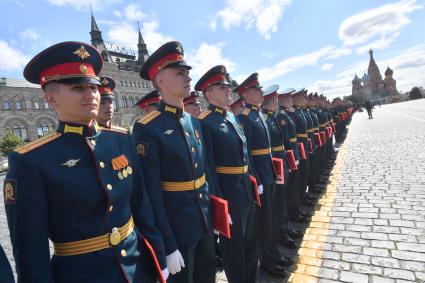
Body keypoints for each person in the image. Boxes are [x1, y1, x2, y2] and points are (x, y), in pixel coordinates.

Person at [4, 41, 167, 283]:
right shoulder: (31, 161)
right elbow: (30, 252)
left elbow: (141, 206)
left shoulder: (122, 140)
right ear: (50, 99)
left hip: (137, 267)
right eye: (77, 88)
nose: (91, 94)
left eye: (93, 87)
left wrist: (158, 259)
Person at [133, 41, 216, 283]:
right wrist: (167, 244)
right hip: (177, 228)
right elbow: (151, 193)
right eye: (180, 73)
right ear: (160, 81)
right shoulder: (147, 128)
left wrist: (215, 214)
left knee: (207, 275)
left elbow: (205, 175)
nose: (188, 77)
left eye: (188, 72)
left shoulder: (195, 122)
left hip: (204, 220)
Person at [195, 65, 259, 283]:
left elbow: (245, 155)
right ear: (209, 94)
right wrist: (219, 203)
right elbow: (208, 167)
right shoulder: (205, 122)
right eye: (222, 86)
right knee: (233, 249)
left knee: (250, 242)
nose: (228, 88)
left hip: (244, 188)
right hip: (228, 194)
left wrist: (253, 181)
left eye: (227, 85)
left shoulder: (232, 117)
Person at [235, 73, 287, 278]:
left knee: (272, 218)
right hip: (261, 177)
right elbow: (247, 155)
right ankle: (267, 261)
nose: (260, 92)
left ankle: (274, 254)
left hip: (269, 173)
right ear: (246, 94)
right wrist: (255, 180)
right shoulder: (245, 118)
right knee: (264, 222)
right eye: (256, 90)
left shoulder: (259, 116)